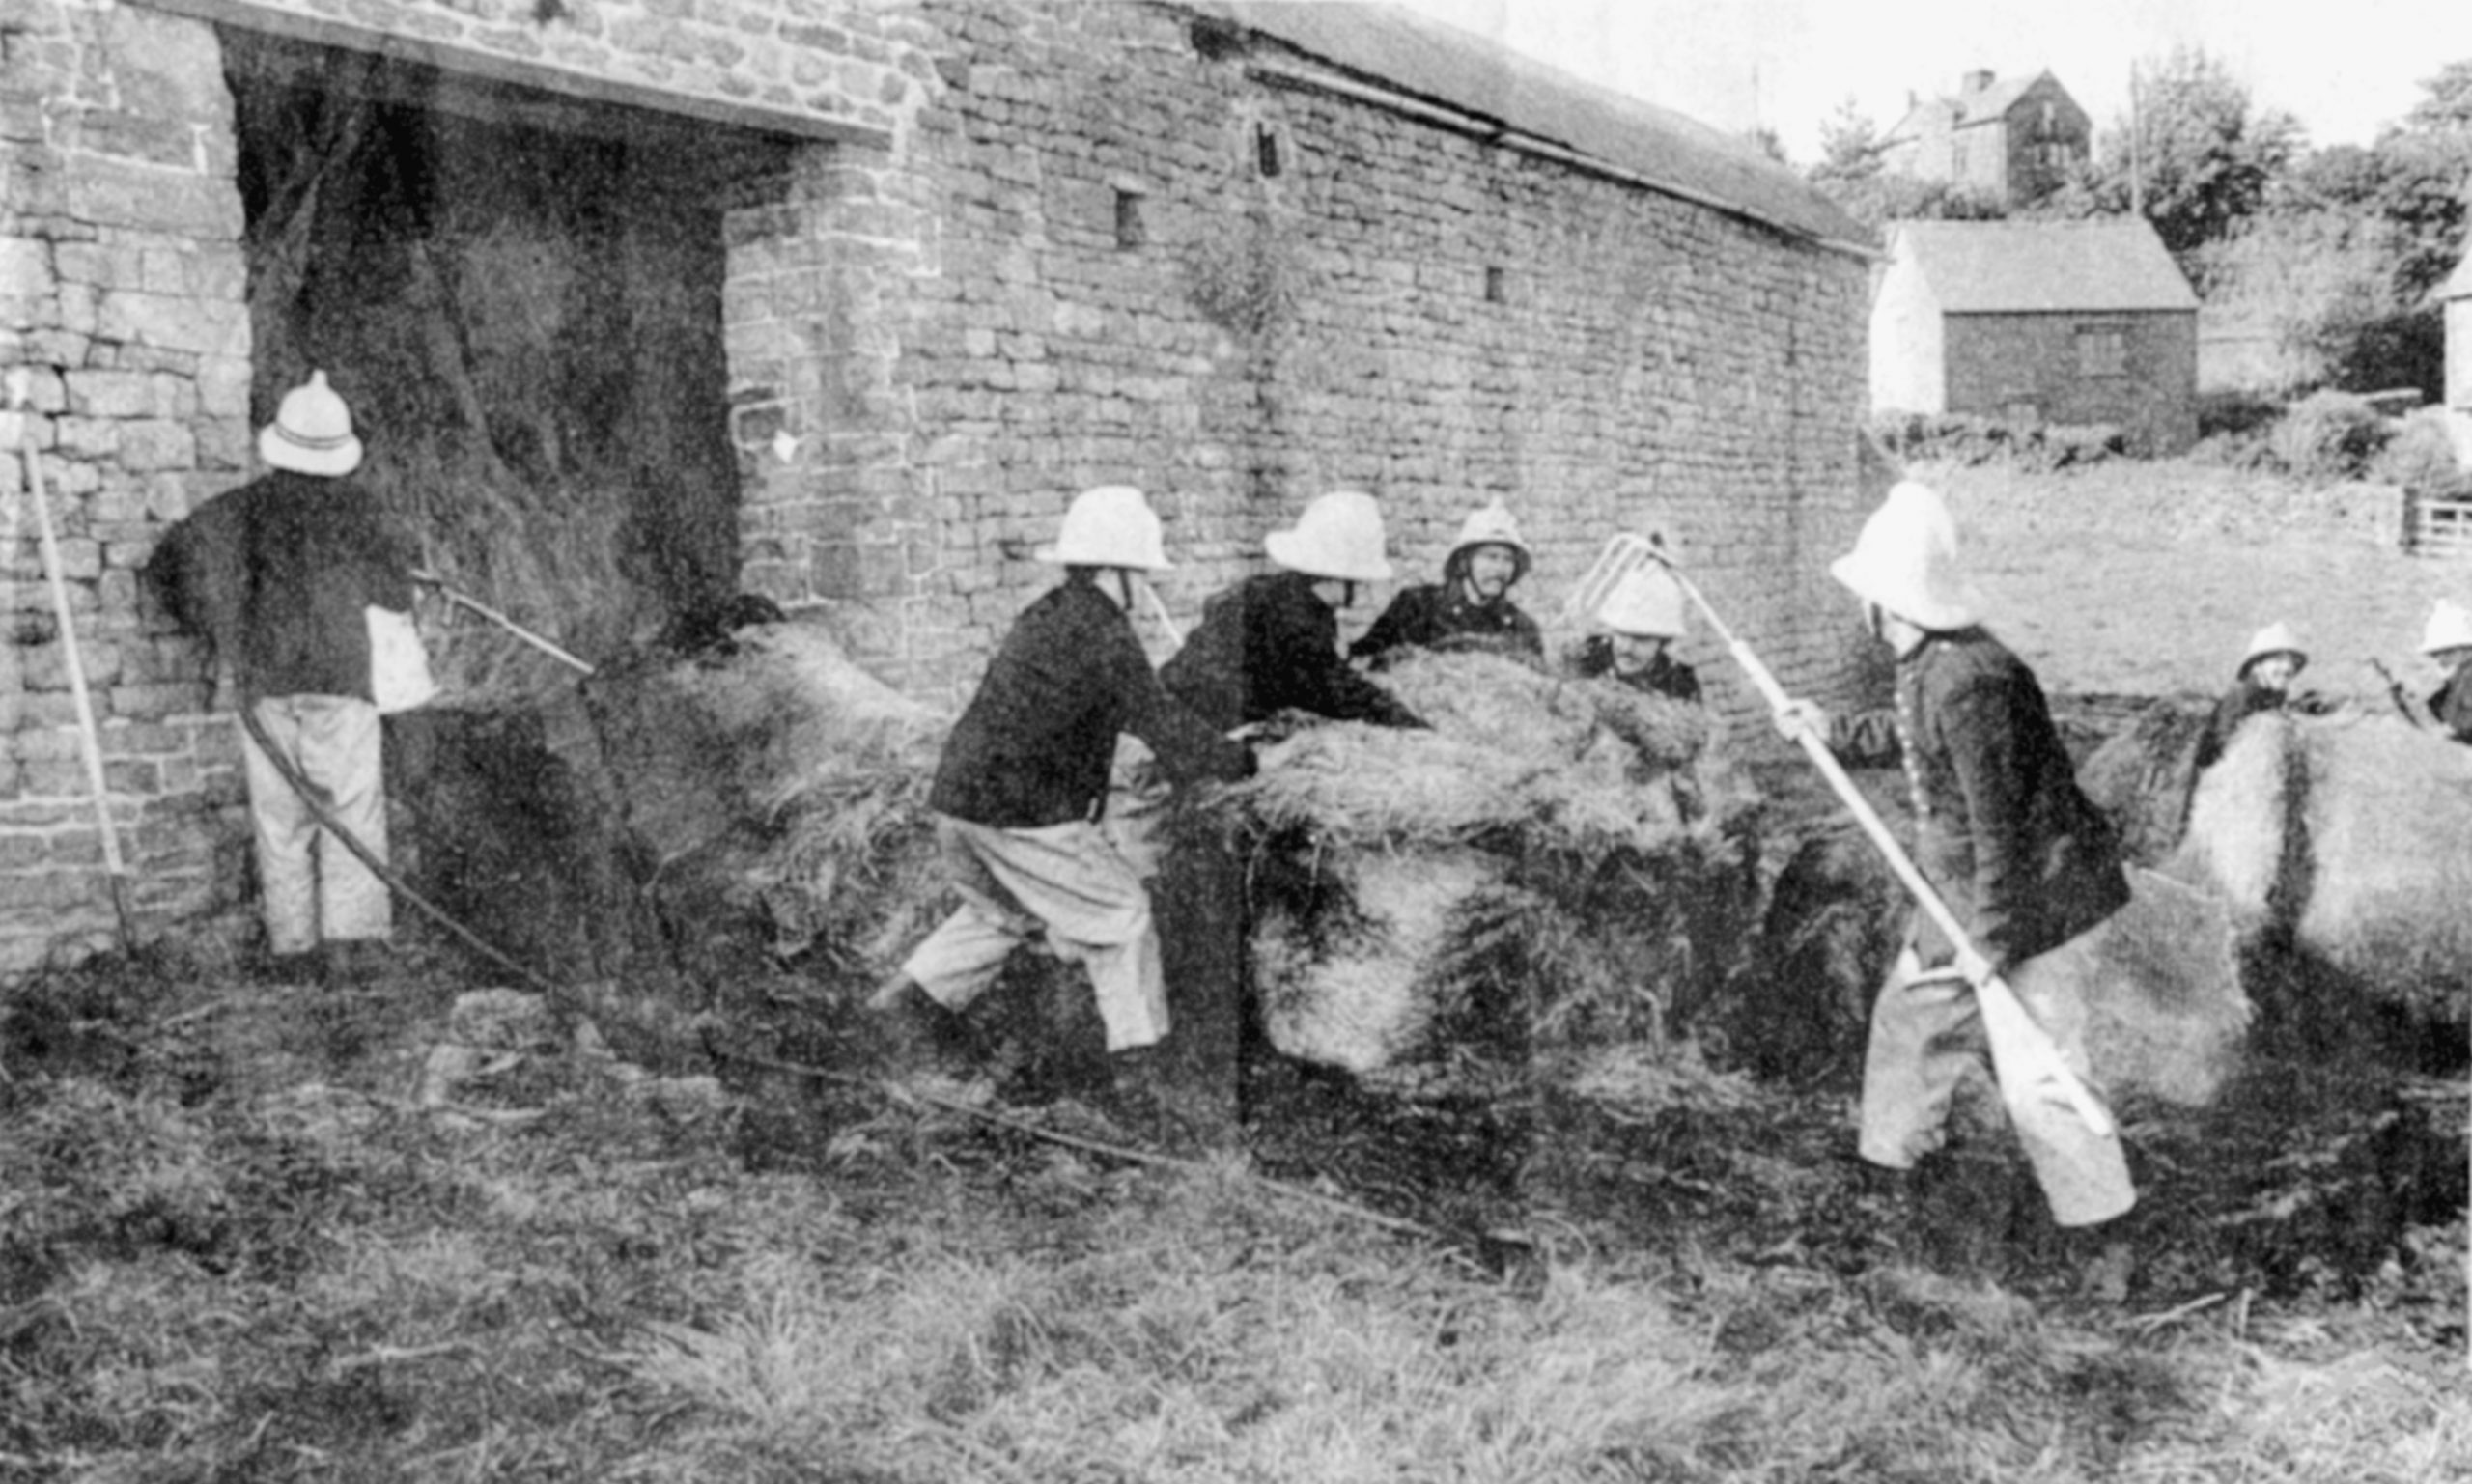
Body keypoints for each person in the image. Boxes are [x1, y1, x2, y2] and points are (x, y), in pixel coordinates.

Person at [1773, 481, 2137, 1281]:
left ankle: (2102, 1240)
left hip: (2038, 904)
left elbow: (2001, 826)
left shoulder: (1975, 679)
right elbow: (1915, 740)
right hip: (1962, 892)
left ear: (1883, 602)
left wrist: (1990, 943)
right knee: (1910, 1024)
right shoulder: (1929, 660)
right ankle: (1887, 1191)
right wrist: (1831, 728)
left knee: (2042, 1071)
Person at [872, 485, 1253, 1098]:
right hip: (1024, 815)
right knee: (1122, 918)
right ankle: (1143, 1079)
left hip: (959, 804)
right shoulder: (1103, 635)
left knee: (1005, 913)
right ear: (1116, 569)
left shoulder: (1048, 614)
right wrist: (1244, 760)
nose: (1146, 587)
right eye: (1141, 572)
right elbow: (1161, 724)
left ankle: (895, 1012)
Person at [147, 370, 419, 983]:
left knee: (280, 819)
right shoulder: (364, 513)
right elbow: (396, 596)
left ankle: (292, 949)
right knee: (351, 808)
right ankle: (353, 947)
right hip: (340, 679)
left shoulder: (239, 511)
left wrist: (219, 633)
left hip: (264, 682)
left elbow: (170, 565)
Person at [1160, 490, 1427, 732]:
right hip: (1200, 728)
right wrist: (1404, 721)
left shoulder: (1280, 593)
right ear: (1338, 575)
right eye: (1359, 580)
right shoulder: (1295, 619)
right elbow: (1337, 691)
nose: (1363, 588)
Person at [1347, 498, 1544, 667]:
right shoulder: (1418, 606)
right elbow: (1363, 659)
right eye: (1490, 557)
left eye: (1508, 560)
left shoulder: (1521, 627)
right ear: (1464, 562)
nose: (1500, 568)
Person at [1565, 563, 1702, 704]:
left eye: (1640, 639)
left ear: (1663, 642)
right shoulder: (1588, 659)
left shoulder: (1679, 682)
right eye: (1622, 635)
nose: (1626, 648)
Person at [2190, 622, 2307, 771]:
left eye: (2291, 662)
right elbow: (2221, 738)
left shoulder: (2276, 691)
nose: (2287, 668)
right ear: (2257, 666)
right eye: (2278, 660)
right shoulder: (2242, 694)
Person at [2420, 599, 2472, 743]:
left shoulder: (2467, 678)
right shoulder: (2456, 681)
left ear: (2467, 649)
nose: (2441, 660)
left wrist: (2453, 731)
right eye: (2436, 654)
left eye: (2448, 652)